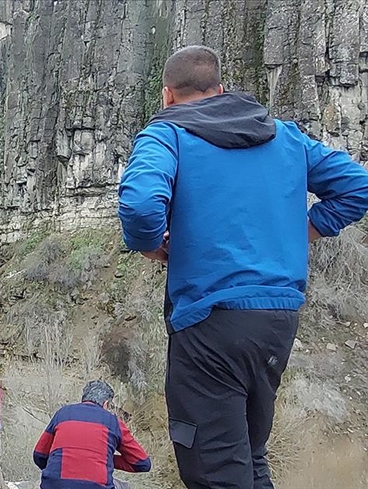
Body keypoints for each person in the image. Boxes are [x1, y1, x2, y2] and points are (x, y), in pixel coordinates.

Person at [118, 45, 368, 488]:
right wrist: (302, 230)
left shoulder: (168, 134)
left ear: (167, 96)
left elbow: (139, 205)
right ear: (222, 88)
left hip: (210, 323)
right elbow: (358, 187)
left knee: (214, 469)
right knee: (249, 459)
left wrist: (151, 245)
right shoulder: (285, 136)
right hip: (277, 320)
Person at [33, 380, 151, 489]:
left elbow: (39, 455)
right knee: (122, 485)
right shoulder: (113, 422)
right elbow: (142, 463)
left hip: (54, 485)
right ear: (105, 404)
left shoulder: (63, 414)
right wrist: (106, 459)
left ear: (83, 399)